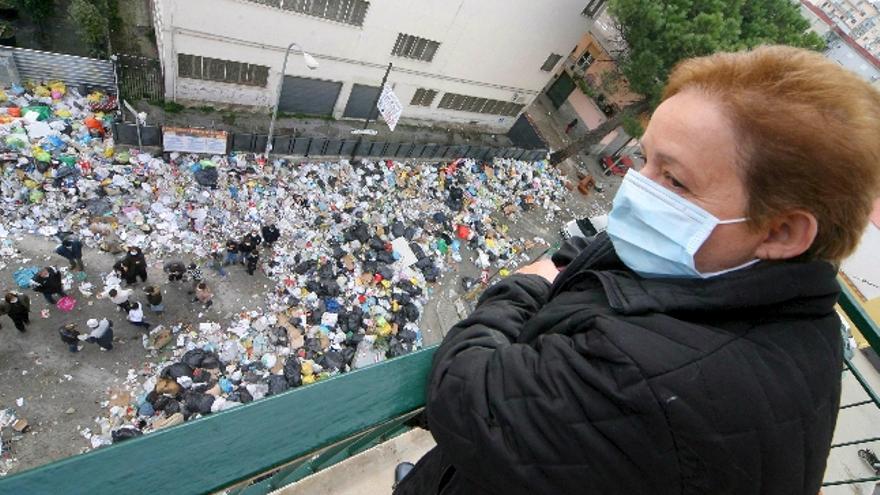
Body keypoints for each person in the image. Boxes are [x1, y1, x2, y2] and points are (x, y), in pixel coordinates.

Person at [394, 46, 880, 495]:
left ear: (781, 232)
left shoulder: (654, 380)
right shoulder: (772, 302)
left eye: (673, 178)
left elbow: (462, 388)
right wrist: (562, 264)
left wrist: (524, 284)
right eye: (645, 159)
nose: (633, 188)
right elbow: (602, 252)